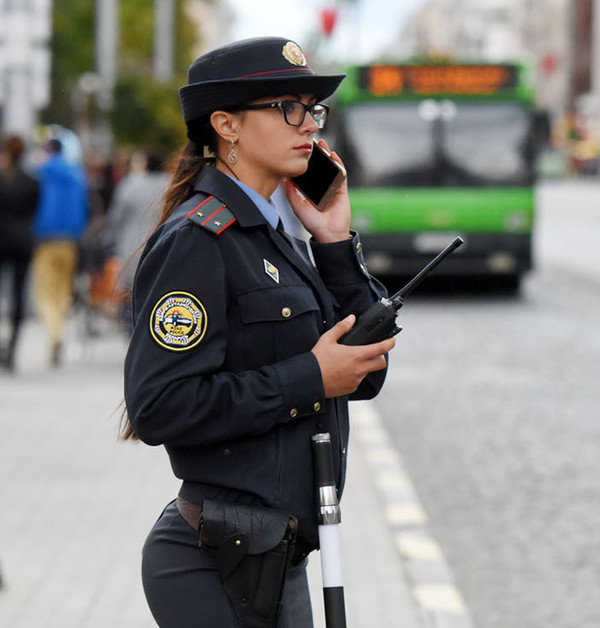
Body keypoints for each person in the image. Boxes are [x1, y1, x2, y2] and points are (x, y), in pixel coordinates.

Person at [121, 37, 396, 627]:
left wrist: (335, 243)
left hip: (273, 556)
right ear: (226, 125)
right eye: (287, 107)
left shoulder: (278, 234)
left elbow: (365, 373)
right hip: (215, 560)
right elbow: (159, 407)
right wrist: (310, 378)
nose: (308, 125)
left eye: (312, 109)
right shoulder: (199, 240)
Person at [0, 135, 41, 371]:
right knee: (18, 294)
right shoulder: (31, 181)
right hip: (22, 240)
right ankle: (12, 349)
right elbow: (34, 211)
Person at [31, 138, 89, 367]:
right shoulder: (76, 174)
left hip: (45, 238)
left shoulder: (39, 172)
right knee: (64, 289)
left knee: (45, 292)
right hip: (70, 239)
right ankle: (59, 331)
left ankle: (54, 334)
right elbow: (85, 207)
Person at [106, 150, 169, 333]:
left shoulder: (129, 186)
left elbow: (116, 218)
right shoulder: (171, 185)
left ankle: (131, 333)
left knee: (130, 292)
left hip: (131, 246)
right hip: (162, 245)